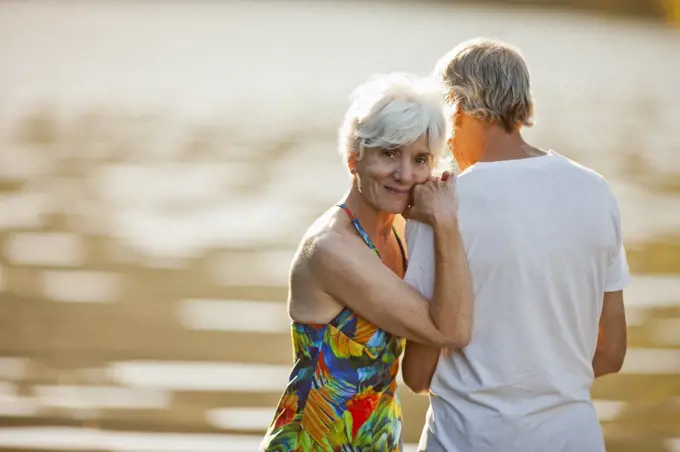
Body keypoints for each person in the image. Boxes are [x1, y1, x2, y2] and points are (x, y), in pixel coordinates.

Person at [401, 38, 630, 452]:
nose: (442, 141)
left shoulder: (440, 205)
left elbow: (418, 374)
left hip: (468, 440)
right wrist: (546, 385)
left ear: (456, 108)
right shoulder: (595, 192)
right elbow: (611, 352)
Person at [260, 73, 474, 451]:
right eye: (389, 153)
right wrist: (446, 221)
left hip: (379, 439)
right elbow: (451, 331)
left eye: (420, 159)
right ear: (354, 158)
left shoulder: (406, 235)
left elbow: (421, 373)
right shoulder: (332, 249)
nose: (405, 175)